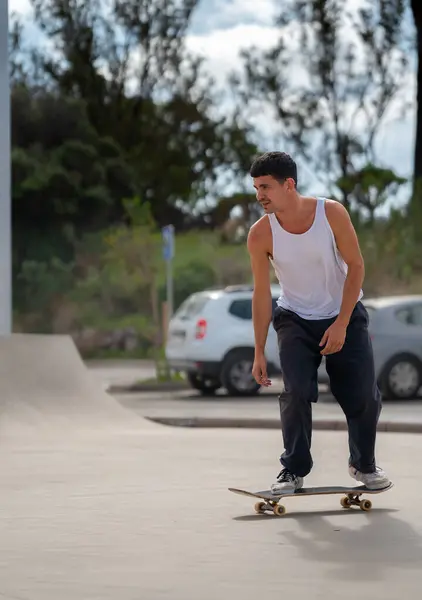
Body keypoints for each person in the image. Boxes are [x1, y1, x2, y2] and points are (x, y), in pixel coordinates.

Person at [247, 151, 391, 493]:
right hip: (295, 318)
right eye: (256, 187)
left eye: (265, 186)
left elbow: (356, 266)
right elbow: (261, 293)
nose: (259, 195)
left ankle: (364, 465)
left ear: (289, 184)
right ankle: (293, 470)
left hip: (344, 314)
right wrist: (257, 352)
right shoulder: (260, 234)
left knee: (362, 395)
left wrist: (341, 323)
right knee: (295, 391)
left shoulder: (332, 214)